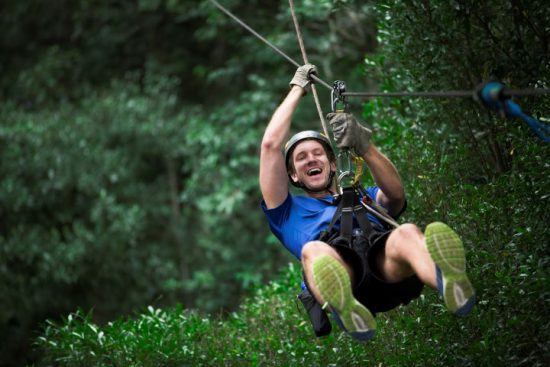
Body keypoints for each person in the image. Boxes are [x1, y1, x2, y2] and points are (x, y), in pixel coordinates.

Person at [259, 64, 476, 342]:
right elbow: (270, 146)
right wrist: (298, 88)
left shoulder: (364, 196)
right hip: (346, 282)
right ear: (292, 174)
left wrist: (364, 145)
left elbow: (396, 195)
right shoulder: (287, 213)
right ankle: (347, 308)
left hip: (385, 269)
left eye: (318, 154)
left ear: (333, 163)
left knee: (407, 232)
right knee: (314, 250)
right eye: (301, 158)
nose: (311, 159)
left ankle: (449, 283)